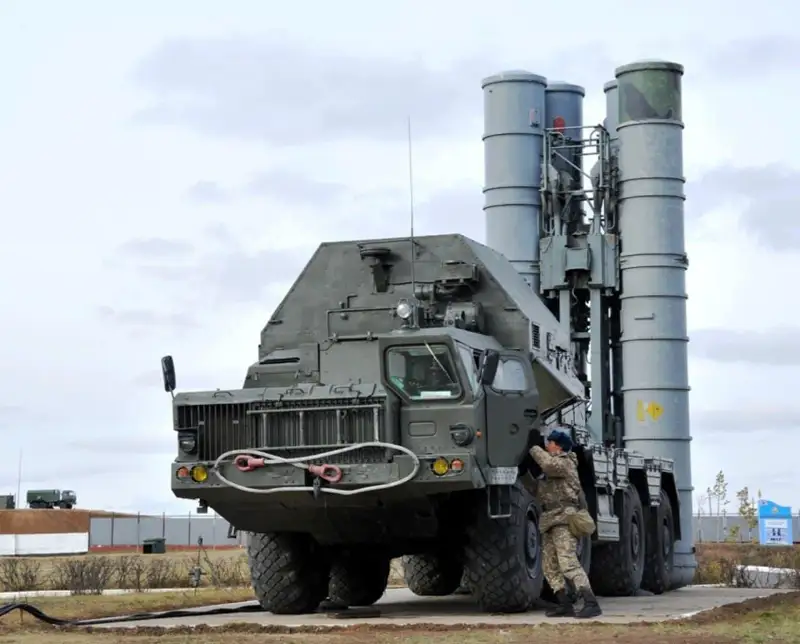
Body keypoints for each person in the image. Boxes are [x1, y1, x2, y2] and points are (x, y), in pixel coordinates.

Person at [528, 428, 602, 619]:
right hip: (550, 519)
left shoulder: (566, 463)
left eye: (550, 443)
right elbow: (535, 489)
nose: (547, 446)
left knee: (568, 562)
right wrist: (524, 474)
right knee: (549, 565)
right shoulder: (552, 469)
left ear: (558, 446)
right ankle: (564, 603)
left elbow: (547, 463)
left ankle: (591, 602)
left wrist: (533, 448)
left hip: (563, 518)